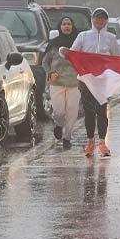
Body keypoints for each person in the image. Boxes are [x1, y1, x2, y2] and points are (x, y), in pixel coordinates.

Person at [61, 7, 120, 157]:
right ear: (92, 20)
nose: (99, 21)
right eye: (97, 18)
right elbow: (72, 53)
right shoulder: (83, 36)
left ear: (106, 21)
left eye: (102, 18)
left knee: (102, 111)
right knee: (89, 111)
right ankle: (90, 141)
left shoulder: (111, 38)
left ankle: (102, 142)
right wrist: (63, 51)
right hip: (86, 79)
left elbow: (117, 58)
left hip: (103, 80)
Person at [42, 17, 80, 149]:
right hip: (57, 82)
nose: (66, 26)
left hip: (75, 83)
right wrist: (50, 72)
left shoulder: (78, 44)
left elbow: (84, 61)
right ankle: (58, 125)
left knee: (72, 112)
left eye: (69, 24)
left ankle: (67, 138)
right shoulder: (53, 44)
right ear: (60, 27)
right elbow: (45, 62)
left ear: (73, 26)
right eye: (64, 24)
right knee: (59, 112)